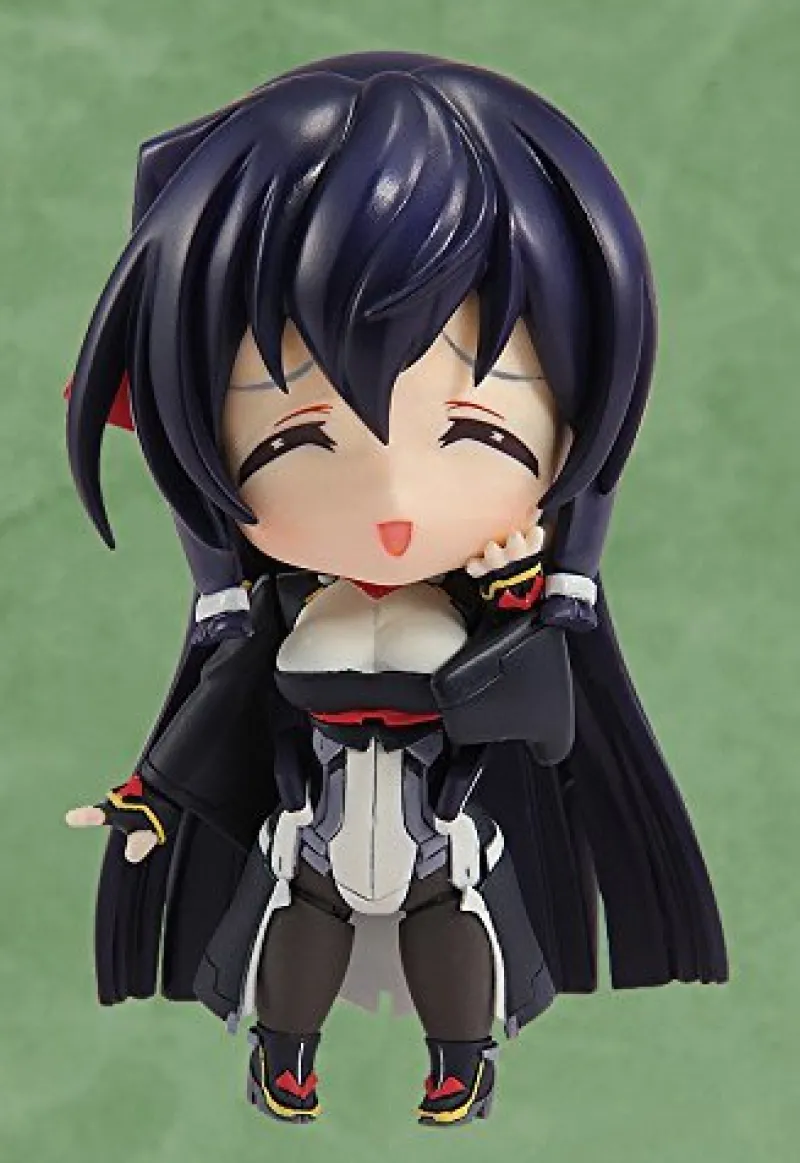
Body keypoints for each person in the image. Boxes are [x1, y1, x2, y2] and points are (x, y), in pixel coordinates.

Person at [64, 51, 728, 1128]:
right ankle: (285, 1055)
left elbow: (542, 714)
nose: (393, 501)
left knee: (449, 913)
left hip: (436, 823)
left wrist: (523, 590)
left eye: (475, 430)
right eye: (295, 436)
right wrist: (152, 793)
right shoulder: (284, 625)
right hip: (320, 821)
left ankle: (459, 1059)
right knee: (301, 913)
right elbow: (225, 709)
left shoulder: (490, 619)